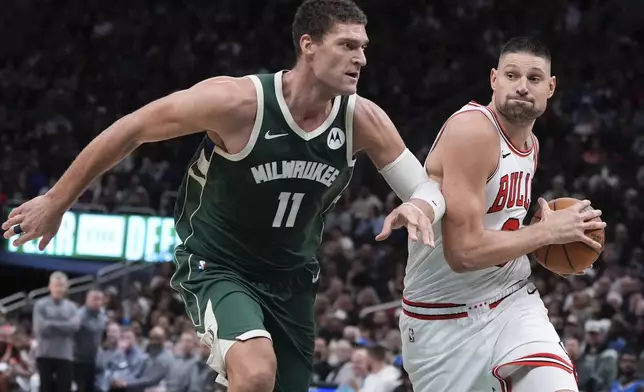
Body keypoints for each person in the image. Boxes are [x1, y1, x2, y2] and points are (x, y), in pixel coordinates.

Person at [2, 0, 446, 390]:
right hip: (218, 265)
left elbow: (425, 186)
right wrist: (57, 200)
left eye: (364, 47)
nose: (361, 58)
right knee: (254, 373)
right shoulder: (238, 103)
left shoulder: (363, 119)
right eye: (347, 45)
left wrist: (419, 204)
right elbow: (133, 128)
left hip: (293, 279)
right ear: (308, 45)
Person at [398, 37, 606, 392]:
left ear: (551, 87)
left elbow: (500, 229)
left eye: (534, 78)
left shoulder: (531, 145)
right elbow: (463, 253)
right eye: (512, 75)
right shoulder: (473, 130)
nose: (522, 86)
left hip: (511, 302)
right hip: (441, 321)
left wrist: (558, 243)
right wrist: (546, 234)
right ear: (494, 79)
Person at [32, 272, 79, 392]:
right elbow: (40, 328)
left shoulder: (72, 307)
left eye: (61, 285)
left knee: (64, 388)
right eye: (56, 285)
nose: (58, 289)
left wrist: (51, 324)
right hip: (45, 354)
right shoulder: (40, 305)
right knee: (45, 388)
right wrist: (65, 326)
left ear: (66, 287)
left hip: (65, 355)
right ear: (50, 286)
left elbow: (74, 327)